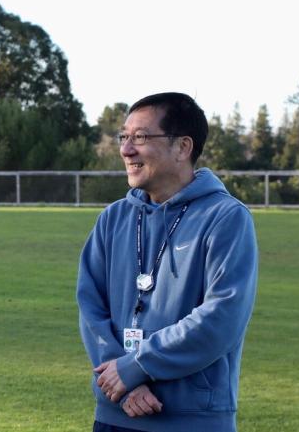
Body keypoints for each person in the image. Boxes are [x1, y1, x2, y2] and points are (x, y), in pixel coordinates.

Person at [76, 92, 258, 432]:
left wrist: (136, 367)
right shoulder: (113, 218)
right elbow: (90, 308)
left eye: (141, 137)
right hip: (114, 415)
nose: (127, 149)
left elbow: (221, 318)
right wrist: (123, 379)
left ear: (182, 147)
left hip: (192, 422)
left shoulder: (226, 218)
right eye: (124, 137)